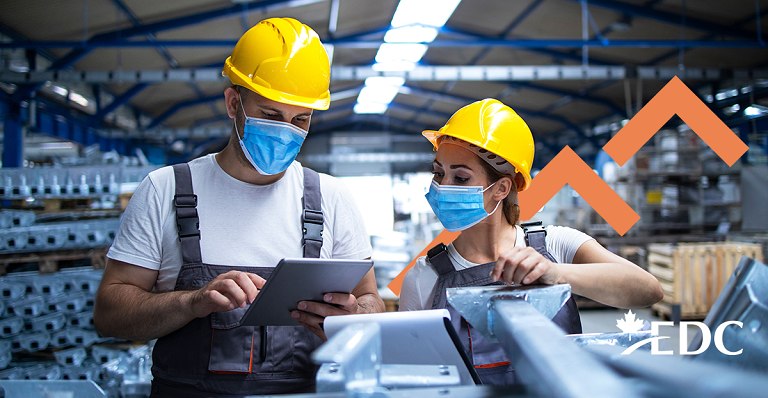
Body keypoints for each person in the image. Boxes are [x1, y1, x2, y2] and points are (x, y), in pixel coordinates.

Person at [93, 18, 385, 397]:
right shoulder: (165, 190)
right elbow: (109, 315)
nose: (288, 131)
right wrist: (192, 302)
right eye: (270, 115)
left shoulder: (330, 198)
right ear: (234, 104)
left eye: (301, 119)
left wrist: (354, 318)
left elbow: (371, 301)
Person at [399, 98, 663, 385]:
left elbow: (648, 291)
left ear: (501, 188)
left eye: (460, 177)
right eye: (438, 173)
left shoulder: (556, 246)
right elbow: (415, 379)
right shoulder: (424, 277)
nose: (442, 187)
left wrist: (555, 273)